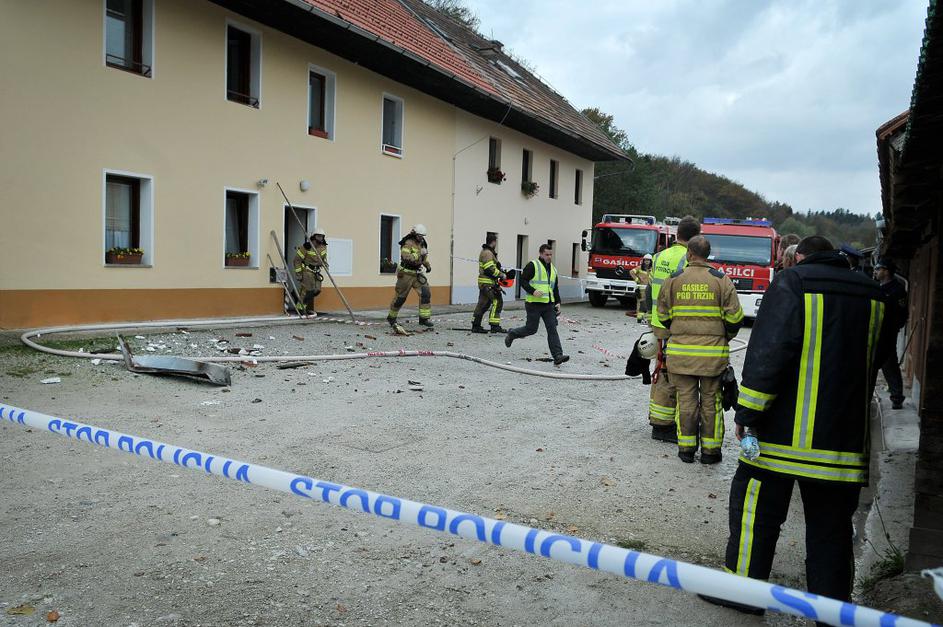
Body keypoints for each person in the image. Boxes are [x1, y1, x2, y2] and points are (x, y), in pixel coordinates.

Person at [702, 235, 894, 619]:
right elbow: (879, 358)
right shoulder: (875, 294)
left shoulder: (792, 283)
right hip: (843, 445)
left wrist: (747, 414)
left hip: (781, 440)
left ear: (799, 256)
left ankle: (743, 593)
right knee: (832, 533)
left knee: (756, 515)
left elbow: (769, 355)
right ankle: (831, 610)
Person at [657, 235, 744, 464]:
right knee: (711, 403)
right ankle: (710, 453)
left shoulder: (673, 279)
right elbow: (735, 318)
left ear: (689, 253)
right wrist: (724, 336)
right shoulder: (721, 280)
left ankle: (686, 450)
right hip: (712, 358)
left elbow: (662, 316)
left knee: (685, 402)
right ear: (708, 255)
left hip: (681, 356)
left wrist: (679, 331)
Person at [647, 215, 701, 442]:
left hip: (658, 322)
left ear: (677, 234)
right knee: (673, 375)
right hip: (675, 325)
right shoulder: (687, 260)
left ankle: (658, 418)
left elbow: (650, 288)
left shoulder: (659, 256)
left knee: (661, 370)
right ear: (696, 237)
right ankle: (663, 425)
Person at [504, 244, 569, 365]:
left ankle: (557, 356)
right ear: (540, 254)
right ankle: (513, 333)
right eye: (546, 254)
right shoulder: (533, 265)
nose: (549, 257)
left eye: (550, 254)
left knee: (552, 329)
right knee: (531, 329)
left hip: (548, 305)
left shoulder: (553, 269)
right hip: (533, 304)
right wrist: (533, 291)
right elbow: (522, 281)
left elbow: (554, 288)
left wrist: (558, 302)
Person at [875, 259, 908, 409]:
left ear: (886, 271)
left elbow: (902, 314)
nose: (875, 271)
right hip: (875, 330)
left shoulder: (897, 289)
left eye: (878, 269)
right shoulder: (877, 287)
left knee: (889, 364)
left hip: (887, 333)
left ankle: (897, 397)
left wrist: (892, 329)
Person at [387, 224, 433, 329]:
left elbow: (423, 258)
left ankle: (424, 319)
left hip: (417, 273)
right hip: (406, 274)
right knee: (400, 297)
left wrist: (427, 266)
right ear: (414, 234)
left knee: (425, 293)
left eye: (422, 236)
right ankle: (392, 317)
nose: (421, 238)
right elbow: (406, 257)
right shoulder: (408, 243)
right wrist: (418, 253)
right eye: (419, 236)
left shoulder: (422, 243)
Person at [471, 234, 508, 334]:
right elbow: (489, 269)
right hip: (488, 283)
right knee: (497, 300)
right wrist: (501, 275)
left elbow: (492, 267)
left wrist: (503, 271)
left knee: (483, 304)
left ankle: (476, 325)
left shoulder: (486, 252)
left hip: (485, 283)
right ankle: (494, 326)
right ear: (494, 242)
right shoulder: (487, 253)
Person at [292, 228, 328, 317]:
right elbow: (297, 260)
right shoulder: (306, 247)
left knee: (317, 290)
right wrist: (299, 274)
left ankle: (296, 294)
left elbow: (323, 258)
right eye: (318, 236)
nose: (320, 238)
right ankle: (300, 308)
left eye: (322, 236)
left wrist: (325, 264)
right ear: (314, 236)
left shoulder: (323, 247)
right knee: (308, 291)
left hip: (316, 272)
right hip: (307, 271)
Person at [629, 254, 653, 323]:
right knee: (640, 302)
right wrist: (637, 280)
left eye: (648, 260)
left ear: (651, 261)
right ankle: (639, 317)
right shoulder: (639, 268)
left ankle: (645, 317)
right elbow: (631, 272)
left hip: (649, 288)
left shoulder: (652, 269)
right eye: (645, 260)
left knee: (648, 302)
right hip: (641, 288)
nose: (646, 261)